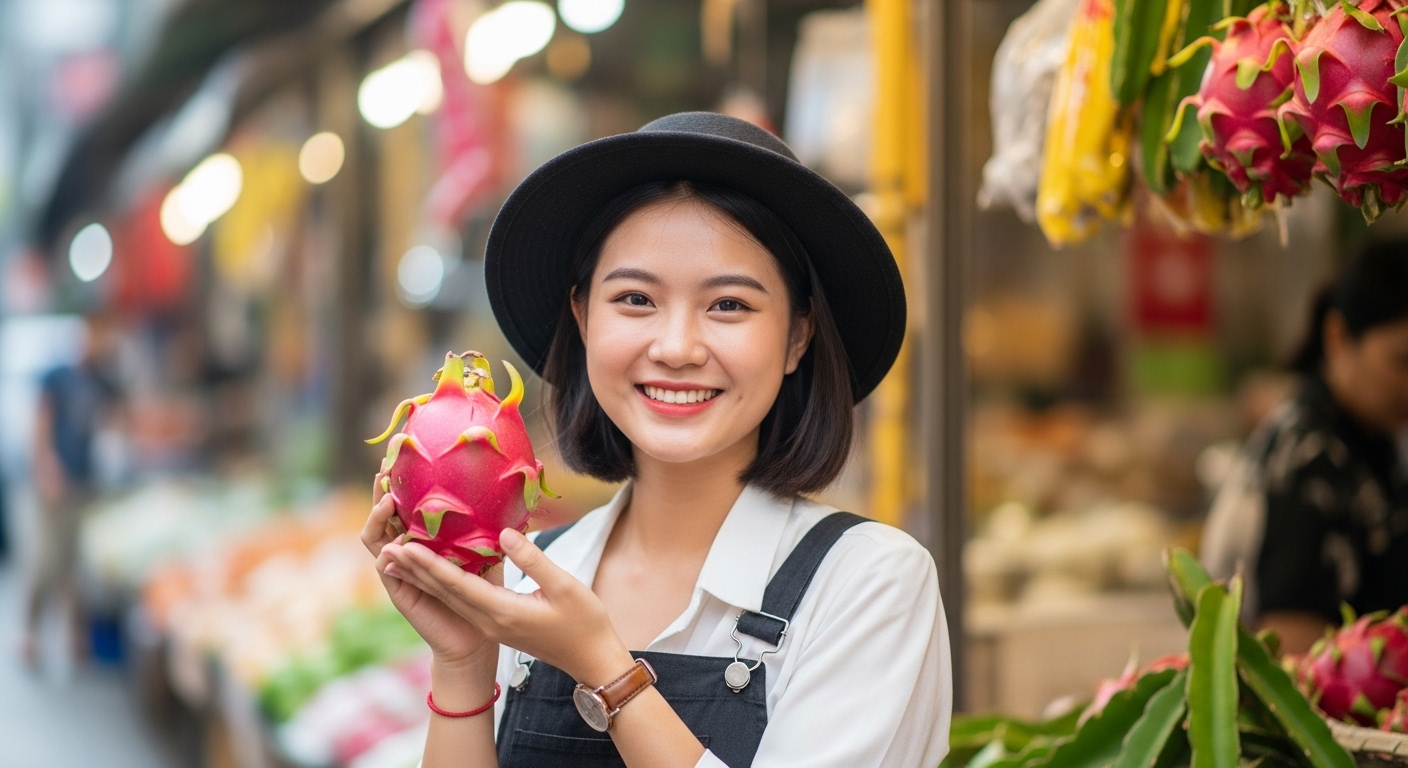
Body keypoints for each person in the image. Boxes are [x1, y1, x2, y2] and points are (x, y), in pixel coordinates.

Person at [361, 113, 952, 767]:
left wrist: (605, 667)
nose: (675, 348)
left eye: (729, 305)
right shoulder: (530, 581)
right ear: (583, 317)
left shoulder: (869, 584)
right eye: (636, 299)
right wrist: (466, 662)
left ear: (797, 337)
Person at [1203, 242, 1408, 655]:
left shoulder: (1372, 434)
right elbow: (1292, 648)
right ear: (1338, 337)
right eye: (1403, 362)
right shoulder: (1306, 464)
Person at [23, 314, 119, 668]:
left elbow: (114, 421)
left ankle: (76, 637)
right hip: (56, 483)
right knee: (48, 560)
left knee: (78, 566)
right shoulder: (59, 377)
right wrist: (46, 467)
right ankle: (30, 633)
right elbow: (41, 424)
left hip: (86, 482)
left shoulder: (103, 380)